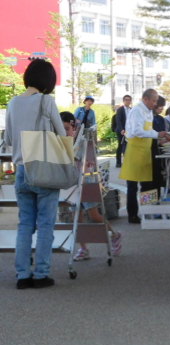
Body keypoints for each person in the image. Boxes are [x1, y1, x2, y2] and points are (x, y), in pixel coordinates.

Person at [3, 59, 65, 288]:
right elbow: (61, 133)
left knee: (25, 224)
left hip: (21, 170)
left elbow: (8, 139)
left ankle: (22, 276)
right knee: (46, 224)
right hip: (43, 168)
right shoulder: (46, 101)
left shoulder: (13, 102)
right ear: (48, 80)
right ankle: (41, 274)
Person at [59, 112, 123, 261]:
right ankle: (83, 248)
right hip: (72, 184)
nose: (65, 133)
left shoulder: (82, 142)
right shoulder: (61, 143)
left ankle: (115, 234)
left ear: (74, 128)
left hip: (88, 183)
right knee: (77, 217)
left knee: (94, 215)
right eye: (61, 129)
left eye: (67, 128)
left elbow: (88, 160)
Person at [120, 89, 170, 223]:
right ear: (145, 99)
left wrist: (159, 134)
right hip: (134, 150)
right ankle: (132, 214)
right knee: (132, 185)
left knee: (147, 183)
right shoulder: (137, 111)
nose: (155, 104)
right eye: (154, 101)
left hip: (145, 150)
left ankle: (148, 212)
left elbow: (149, 130)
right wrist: (157, 134)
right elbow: (137, 131)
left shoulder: (148, 111)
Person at [114, 94, 133, 168]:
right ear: (123, 101)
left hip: (129, 131)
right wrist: (121, 129)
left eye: (129, 100)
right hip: (121, 131)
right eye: (126, 100)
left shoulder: (132, 110)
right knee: (120, 146)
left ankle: (127, 162)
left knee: (128, 146)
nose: (127, 101)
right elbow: (118, 120)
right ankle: (118, 162)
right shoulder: (120, 109)